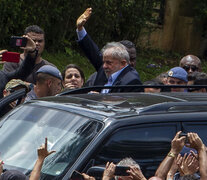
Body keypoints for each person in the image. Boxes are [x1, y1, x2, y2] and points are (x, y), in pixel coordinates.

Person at [76, 8, 142, 87]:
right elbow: (91, 50)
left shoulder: (131, 81)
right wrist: (80, 28)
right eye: (127, 58)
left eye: (132, 59)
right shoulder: (106, 65)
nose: (130, 63)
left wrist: (99, 98)